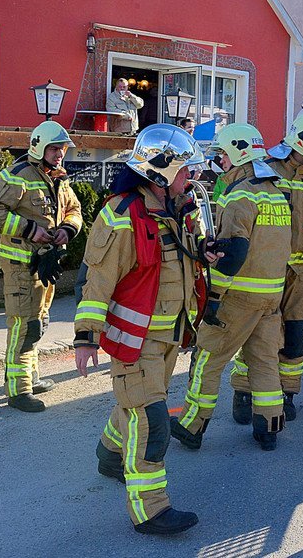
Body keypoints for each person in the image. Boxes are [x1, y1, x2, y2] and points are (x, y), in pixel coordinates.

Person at [74, 124, 214, 536]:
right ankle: (150, 510)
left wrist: (203, 250)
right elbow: (97, 281)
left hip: (168, 338)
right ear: (160, 173)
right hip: (135, 342)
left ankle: (109, 454)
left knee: (135, 404)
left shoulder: (174, 209)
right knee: (151, 421)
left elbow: (182, 259)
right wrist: (85, 337)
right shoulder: (122, 215)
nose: (192, 177)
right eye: (185, 170)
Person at [170, 123, 292, 451]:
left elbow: (233, 254)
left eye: (222, 154)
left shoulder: (240, 194)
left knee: (208, 358)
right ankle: (269, 427)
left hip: (239, 297)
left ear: (238, 153)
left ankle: (191, 426)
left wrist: (213, 297)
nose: (220, 161)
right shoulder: (276, 192)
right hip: (271, 296)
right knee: (263, 360)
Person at [230, 112, 303, 425]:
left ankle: (287, 394)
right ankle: (243, 392)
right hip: (268, 271)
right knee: (258, 334)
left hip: (299, 276)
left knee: (294, 336)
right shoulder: (267, 171)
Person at [0, 122, 83, 412]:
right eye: (54, 148)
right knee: (25, 326)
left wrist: (67, 229)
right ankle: (18, 390)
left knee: (38, 321)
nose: (60, 154)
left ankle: (30, 377)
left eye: (62, 149)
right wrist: (29, 230)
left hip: (46, 263)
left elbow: (74, 209)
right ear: (39, 148)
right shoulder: (19, 175)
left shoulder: (58, 177)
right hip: (21, 265)